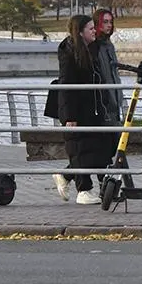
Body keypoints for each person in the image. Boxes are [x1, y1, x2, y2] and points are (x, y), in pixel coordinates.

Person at [56, 14, 115, 205]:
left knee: (98, 149)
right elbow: (66, 85)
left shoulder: (94, 48)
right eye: (90, 28)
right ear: (80, 32)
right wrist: (69, 116)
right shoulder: (69, 51)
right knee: (80, 148)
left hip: (94, 107)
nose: (94, 31)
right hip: (77, 108)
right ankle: (83, 190)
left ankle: (65, 176)